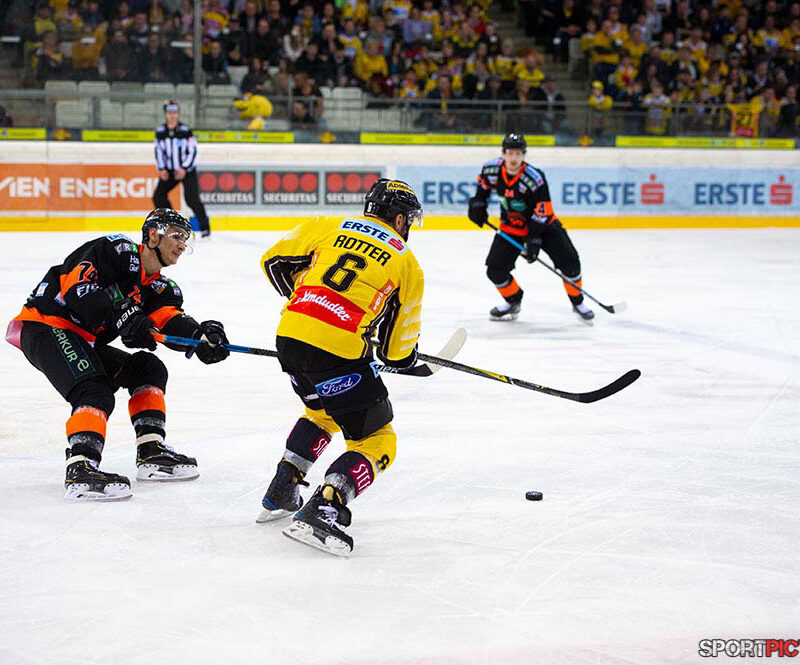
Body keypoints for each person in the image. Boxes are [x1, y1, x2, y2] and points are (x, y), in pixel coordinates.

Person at [4, 209, 231, 501]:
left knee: (148, 369)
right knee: (93, 390)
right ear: (152, 236)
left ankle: (151, 450)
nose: (182, 244)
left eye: (185, 239)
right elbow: (78, 288)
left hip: (83, 339)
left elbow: (169, 320)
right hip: (46, 326)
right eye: (176, 235)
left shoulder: (161, 288)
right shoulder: (115, 251)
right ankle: (81, 467)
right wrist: (122, 315)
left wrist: (200, 337)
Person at [257, 179, 424, 556]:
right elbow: (396, 352)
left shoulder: (329, 225)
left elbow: (272, 261)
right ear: (399, 219)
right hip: (338, 351)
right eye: (409, 220)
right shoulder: (406, 261)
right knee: (378, 440)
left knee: (321, 413)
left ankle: (284, 485)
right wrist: (405, 356)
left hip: (290, 337)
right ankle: (326, 506)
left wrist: (311, 301)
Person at [467, 132, 594, 322]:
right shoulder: (491, 170)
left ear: (523, 155)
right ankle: (513, 301)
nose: (513, 158)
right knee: (495, 270)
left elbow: (543, 210)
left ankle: (578, 302)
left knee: (570, 264)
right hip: (511, 227)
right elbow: (483, 188)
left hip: (544, 227)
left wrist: (534, 240)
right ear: (503, 153)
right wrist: (477, 204)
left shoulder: (534, 177)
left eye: (518, 154)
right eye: (510, 153)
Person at [153, 100, 211, 237]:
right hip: (170, 171)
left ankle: (205, 227)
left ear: (177, 114)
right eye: (169, 112)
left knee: (192, 199)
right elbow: (158, 151)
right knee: (158, 196)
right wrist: (162, 168)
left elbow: (193, 151)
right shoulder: (160, 131)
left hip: (187, 171)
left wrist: (184, 168)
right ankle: (173, 223)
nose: (172, 115)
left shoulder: (185, 130)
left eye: (174, 112)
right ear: (165, 114)